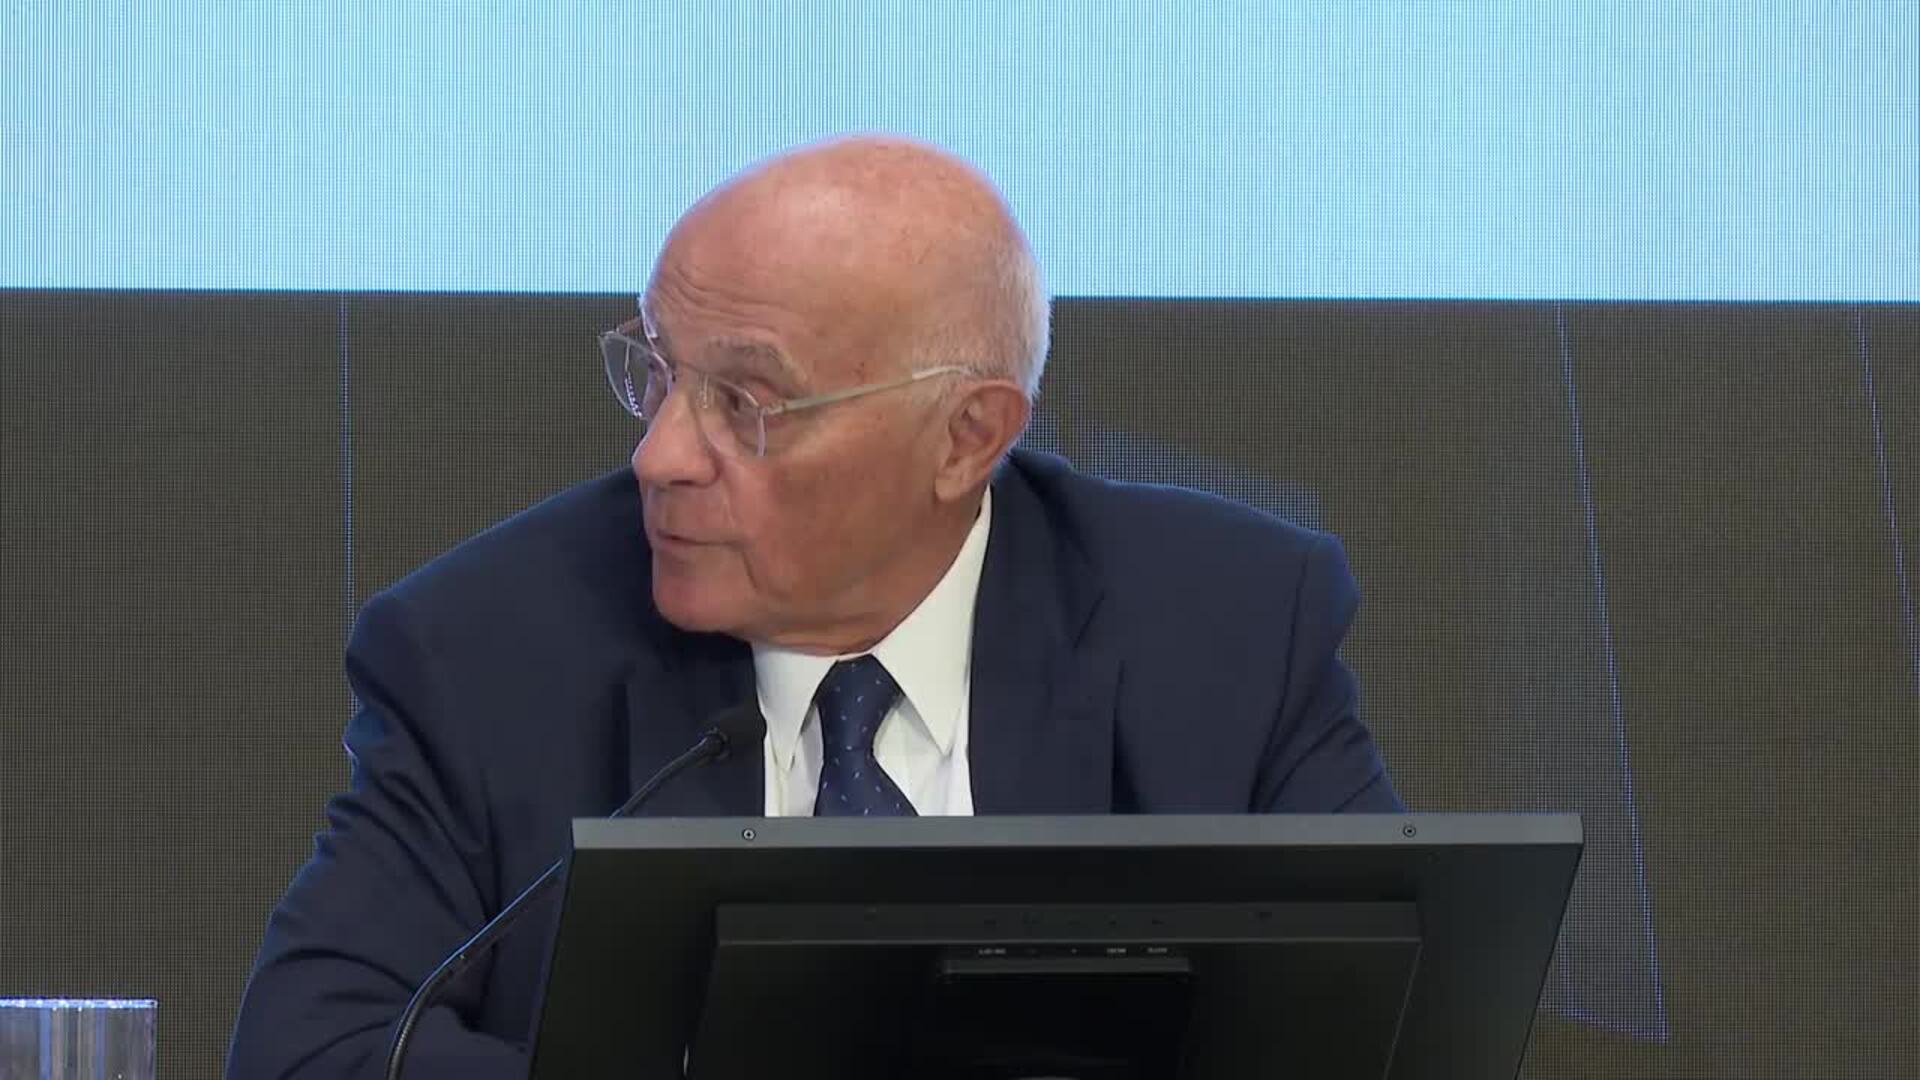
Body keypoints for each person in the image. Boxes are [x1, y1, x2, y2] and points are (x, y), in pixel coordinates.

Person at [228, 134, 1400, 1078]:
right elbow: (316, 1051)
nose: (660, 455)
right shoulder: (486, 648)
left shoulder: (1229, 625)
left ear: (967, 437)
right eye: (657, 370)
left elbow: (1392, 1027)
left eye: (745, 403)